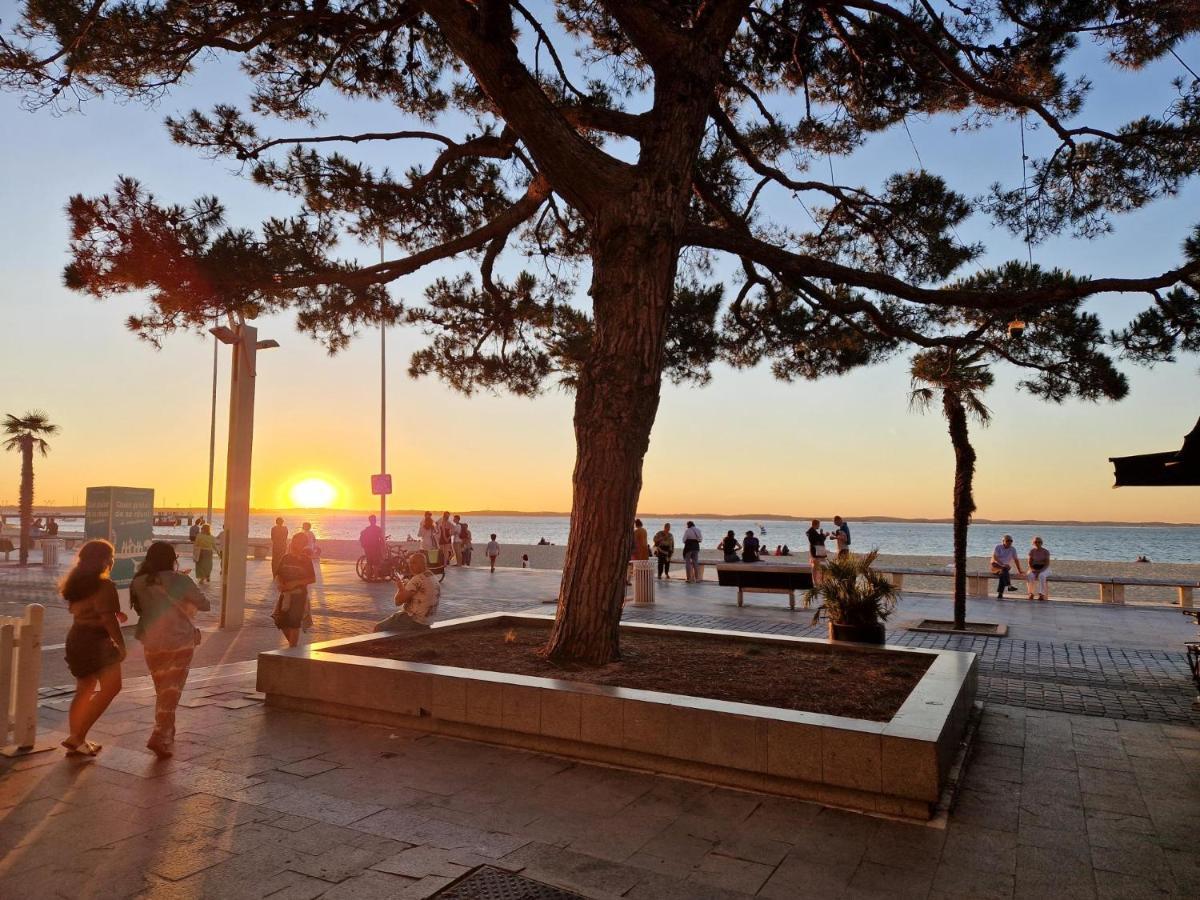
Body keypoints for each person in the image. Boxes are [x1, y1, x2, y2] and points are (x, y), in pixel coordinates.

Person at [130, 541, 210, 758]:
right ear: (171, 558)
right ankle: (159, 735)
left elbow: (139, 608)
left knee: (164, 690)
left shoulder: (139, 582)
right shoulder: (181, 581)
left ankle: (168, 731)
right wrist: (183, 586)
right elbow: (205, 604)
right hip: (179, 641)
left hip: (152, 642)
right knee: (171, 690)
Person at [59, 539, 125, 756]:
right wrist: (121, 644)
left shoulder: (76, 584)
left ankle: (77, 739)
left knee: (84, 689)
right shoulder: (104, 585)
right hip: (96, 642)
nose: (112, 561)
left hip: (76, 638)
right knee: (112, 687)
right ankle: (78, 736)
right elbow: (108, 620)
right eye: (111, 556)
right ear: (104, 560)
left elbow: (88, 610)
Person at [373, 551, 442, 633]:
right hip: (427, 621)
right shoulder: (432, 577)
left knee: (378, 628)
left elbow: (398, 602)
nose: (410, 566)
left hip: (414, 621)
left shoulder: (417, 579)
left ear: (423, 564)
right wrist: (407, 586)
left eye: (414, 563)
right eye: (410, 563)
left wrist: (400, 587)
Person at [273, 532, 317, 647]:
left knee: (294, 623)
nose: (294, 543)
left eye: (299, 542)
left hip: (299, 595)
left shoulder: (306, 560)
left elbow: (312, 578)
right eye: (294, 540)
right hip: (285, 594)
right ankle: (294, 648)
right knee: (281, 621)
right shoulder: (285, 557)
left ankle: (292, 648)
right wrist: (279, 583)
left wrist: (295, 583)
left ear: (303, 544)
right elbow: (278, 574)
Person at [990, 535, 1024, 599]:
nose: (1009, 542)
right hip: (995, 566)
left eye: (1011, 541)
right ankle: (1009, 586)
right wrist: (1003, 564)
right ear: (1003, 541)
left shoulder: (1013, 549)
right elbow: (995, 557)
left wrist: (1019, 570)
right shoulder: (998, 547)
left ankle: (1001, 593)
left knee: (1003, 573)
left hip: (1004, 568)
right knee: (1004, 570)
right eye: (1008, 540)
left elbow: (1016, 560)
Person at [1026, 536, 1052, 601]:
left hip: (1045, 568)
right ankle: (1031, 593)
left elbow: (1047, 563)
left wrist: (1040, 571)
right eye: (1036, 542)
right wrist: (1032, 570)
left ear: (1042, 543)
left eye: (1039, 542)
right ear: (1033, 543)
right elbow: (1029, 563)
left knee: (1042, 575)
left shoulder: (1045, 551)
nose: (1037, 543)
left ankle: (1041, 594)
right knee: (1030, 575)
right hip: (1034, 568)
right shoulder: (1032, 551)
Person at [806, 520, 829, 584]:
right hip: (816, 551)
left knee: (817, 565)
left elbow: (819, 539)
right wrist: (824, 535)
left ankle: (817, 580)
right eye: (818, 525)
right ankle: (815, 581)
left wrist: (822, 534)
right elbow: (818, 540)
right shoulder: (811, 532)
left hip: (816, 550)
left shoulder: (812, 531)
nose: (819, 526)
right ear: (815, 524)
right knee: (816, 566)